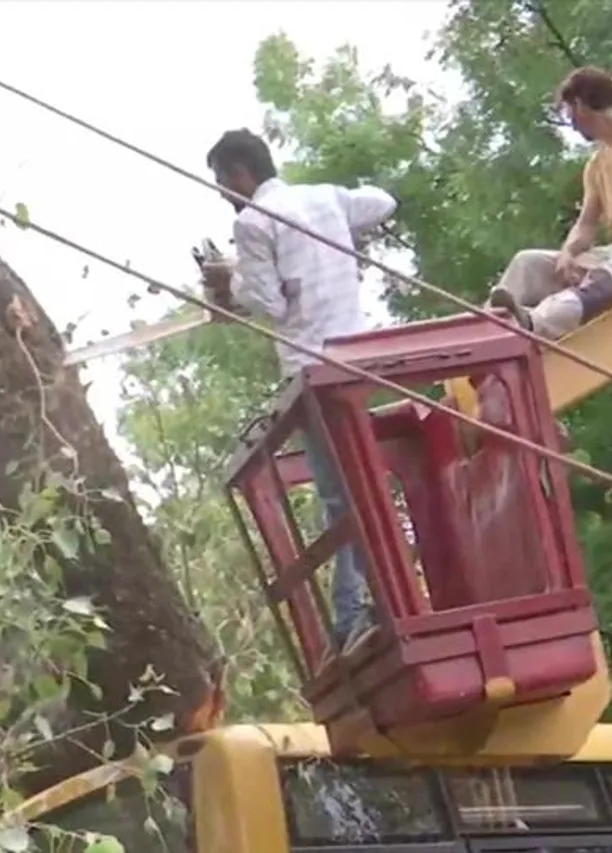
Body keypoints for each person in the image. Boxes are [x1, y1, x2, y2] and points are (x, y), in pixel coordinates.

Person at [200, 128, 398, 656]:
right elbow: (382, 201)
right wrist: (336, 244)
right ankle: (378, 598)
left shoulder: (253, 222)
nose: (224, 193)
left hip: (311, 371)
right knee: (362, 482)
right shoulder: (325, 197)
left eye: (223, 183)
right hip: (357, 361)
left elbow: (270, 308)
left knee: (339, 495)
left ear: (241, 175)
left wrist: (229, 280)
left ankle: (353, 612)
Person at [487, 67, 612, 337]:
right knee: (528, 263)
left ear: (578, 104)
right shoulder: (596, 166)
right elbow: (586, 225)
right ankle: (485, 330)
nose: (571, 124)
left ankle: (534, 323)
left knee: (605, 280)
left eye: (567, 112)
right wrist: (568, 254)